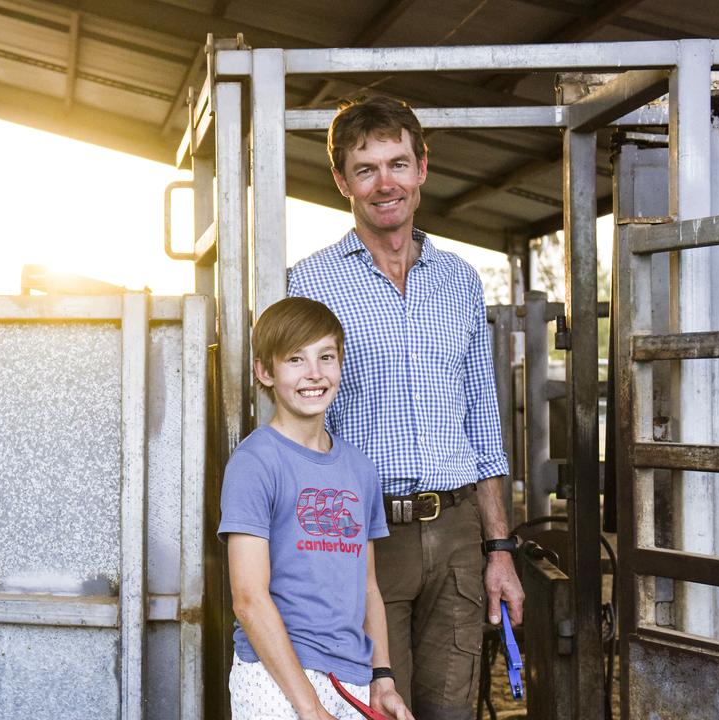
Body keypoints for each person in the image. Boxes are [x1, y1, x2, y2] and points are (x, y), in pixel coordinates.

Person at [287, 95, 523, 720]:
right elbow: (301, 430)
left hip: (456, 535)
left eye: (397, 163)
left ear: (423, 167)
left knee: (451, 709)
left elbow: (482, 422)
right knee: (376, 708)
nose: (384, 183)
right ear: (342, 181)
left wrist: (500, 551)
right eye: (366, 169)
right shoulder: (307, 283)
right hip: (363, 539)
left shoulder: (461, 280)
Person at [220, 297, 415, 720]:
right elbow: (249, 599)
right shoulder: (256, 463)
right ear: (265, 372)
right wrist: (308, 707)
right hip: (274, 679)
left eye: (326, 357)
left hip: (352, 678)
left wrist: (383, 679)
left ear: (340, 365)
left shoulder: (360, 469)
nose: (314, 373)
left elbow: (367, 589)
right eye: (295, 359)